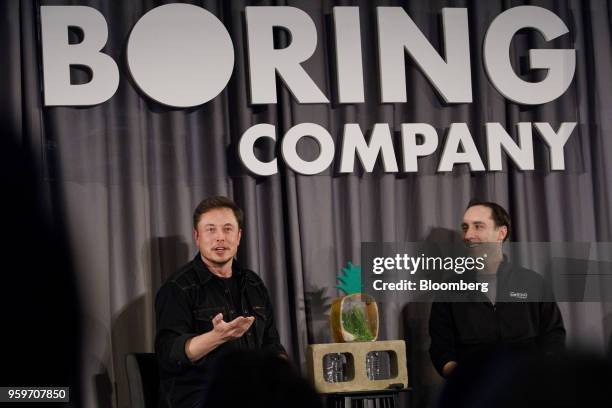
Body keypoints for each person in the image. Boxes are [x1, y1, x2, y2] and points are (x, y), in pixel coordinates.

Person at [155, 196, 286, 408]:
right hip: (200, 396)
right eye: (211, 230)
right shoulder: (177, 288)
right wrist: (217, 337)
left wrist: (286, 379)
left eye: (227, 229)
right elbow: (169, 354)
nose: (220, 238)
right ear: (197, 237)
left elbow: (271, 344)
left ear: (239, 236)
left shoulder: (254, 284)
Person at [429, 201, 565, 379]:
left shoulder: (533, 283)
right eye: (465, 227)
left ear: (501, 233)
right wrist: (464, 379)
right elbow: (441, 351)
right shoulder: (448, 292)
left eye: (478, 226)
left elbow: (553, 337)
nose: (468, 235)